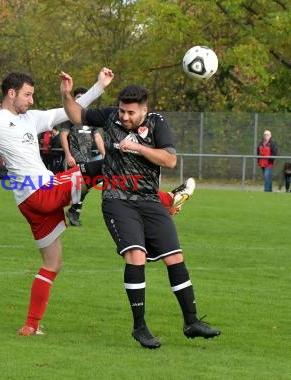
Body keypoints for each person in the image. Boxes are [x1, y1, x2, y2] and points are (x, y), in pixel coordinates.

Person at [0, 68, 117, 336]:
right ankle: (164, 202)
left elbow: (70, 111)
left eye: (33, 95)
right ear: (11, 93)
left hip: (30, 201)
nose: (31, 100)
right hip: (41, 192)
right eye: (27, 95)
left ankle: (31, 326)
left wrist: (98, 87)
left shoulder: (31, 119)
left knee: (53, 263)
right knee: (107, 165)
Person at [61, 73, 220, 348]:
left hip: (148, 200)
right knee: (136, 255)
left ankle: (191, 322)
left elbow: (169, 160)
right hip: (117, 199)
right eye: (122, 110)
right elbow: (76, 115)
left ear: (144, 110)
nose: (124, 116)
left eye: (131, 113)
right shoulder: (110, 116)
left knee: (175, 257)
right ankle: (140, 327)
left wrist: (136, 146)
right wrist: (66, 93)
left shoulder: (157, 123)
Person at [59, 87, 106, 226]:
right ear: (74, 99)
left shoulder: (90, 117)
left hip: (87, 160)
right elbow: (63, 135)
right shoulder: (69, 116)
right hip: (74, 159)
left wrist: (105, 155)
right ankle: (70, 212)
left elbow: (97, 138)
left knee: (84, 187)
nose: (81, 99)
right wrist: (68, 155)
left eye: (84, 96)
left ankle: (73, 211)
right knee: (76, 187)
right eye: (78, 96)